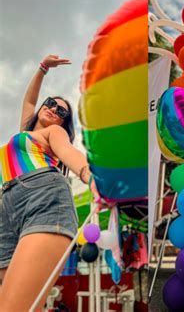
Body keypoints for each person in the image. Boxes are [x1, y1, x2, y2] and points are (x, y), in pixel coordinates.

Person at [0, 55, 103, 311]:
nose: (53, 110)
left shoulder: (52, 133)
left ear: (62, 122)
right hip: (7, 209)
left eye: (61, 112)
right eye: (50, 104)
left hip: (43, 196)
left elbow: (69, 152)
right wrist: (43, 68)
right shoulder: (25, 133)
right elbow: (29, 101)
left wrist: (88, 175)